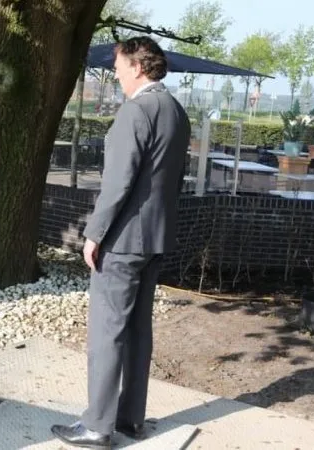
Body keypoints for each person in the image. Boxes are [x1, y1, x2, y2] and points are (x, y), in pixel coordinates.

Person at [51, 36, 191, 449]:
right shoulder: (175, 111)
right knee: (137, 330)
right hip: (156, 237)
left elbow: (117, 183)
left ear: (137, 66)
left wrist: (94, 234)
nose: (114, 73)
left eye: (118, 65)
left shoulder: (136, 111)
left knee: (106, 332)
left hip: (124, 240)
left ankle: (96, 425)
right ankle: (130, 419)